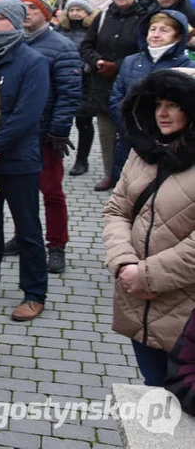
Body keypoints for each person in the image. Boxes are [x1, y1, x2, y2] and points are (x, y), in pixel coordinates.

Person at [104, 69, 195, 387]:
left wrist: (147, 275)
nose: (162, 113)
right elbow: (117, 211)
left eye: (174, 104)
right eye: (157, 103)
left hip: (184, 304)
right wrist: (125, 264)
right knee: (154, 387)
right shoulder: (143, 152)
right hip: (135, 296)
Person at [0, 0, 50, 321]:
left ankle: (34, 293)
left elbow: (28, 113)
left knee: (28, 229)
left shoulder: (33, 61)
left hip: (20, 161)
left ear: (15, 23)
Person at [21, 0, 82, 275]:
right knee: (23, 191)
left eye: (33, 7)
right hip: (21, 134)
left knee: (52, 191)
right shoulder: (16, 41)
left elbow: (69, 93)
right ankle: (24, 237)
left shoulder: (63, 47)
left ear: (46, 13)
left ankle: (56, 244)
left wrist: (59, 130)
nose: (26, 12)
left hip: (46, 134)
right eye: (24, 6)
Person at [108, 11, 193, 184]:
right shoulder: (130, 61)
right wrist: (130, 129)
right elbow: (116, 98)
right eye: (152, 29)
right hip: (128, 140)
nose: (155, 34)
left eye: (164, 30)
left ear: (177, 36)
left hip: (167, 146)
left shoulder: (186, 66)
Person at [81, 0, 149, 191]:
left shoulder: (143, 19)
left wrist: (118, 65)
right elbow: (86, 45)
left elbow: (146, 49)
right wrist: (98, 61)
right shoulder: (102, 17)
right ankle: (110, 174)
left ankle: (134, 178)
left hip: (132, 85)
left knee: (133, 132)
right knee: (106, 134)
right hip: (102, 85)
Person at [59, 0, 99, 176]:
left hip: (86, 82)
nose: (75, 13)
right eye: (72, 10)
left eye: (79, 10)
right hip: (64, 80)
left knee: (84, 122)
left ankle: (82, 159)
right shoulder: (61, 29)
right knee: (62, 120)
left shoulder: (94, 30)